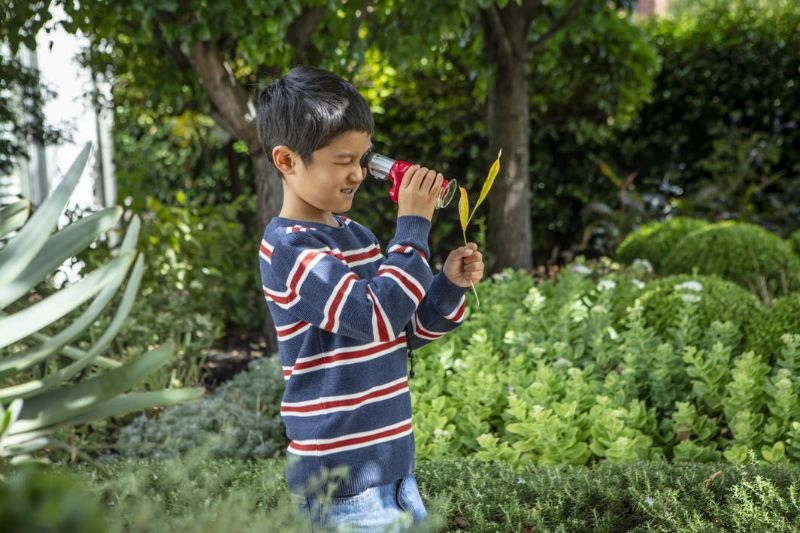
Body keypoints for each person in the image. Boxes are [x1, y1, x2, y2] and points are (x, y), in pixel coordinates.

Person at [256, 66, 485, 532]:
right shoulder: (290, 249)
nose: (359, 173)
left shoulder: (356, 236)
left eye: (364, 159)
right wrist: (413, 228)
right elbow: (375, 315)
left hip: (393, 471)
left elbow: (399, 332)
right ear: (287, 161)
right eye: (343, 160)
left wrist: (446, 284)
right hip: (341, 488)